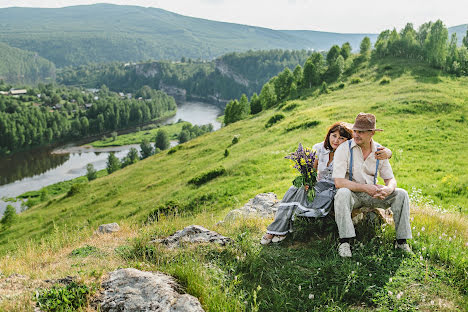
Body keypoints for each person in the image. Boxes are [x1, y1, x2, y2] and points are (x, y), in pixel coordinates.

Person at [261, 122, 392, 245]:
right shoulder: (319, 148)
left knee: (310, 197)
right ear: (329, 135)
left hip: (336, 187)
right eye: (334, 136)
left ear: (348, 140)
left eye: (341, 138)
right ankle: (276, 229)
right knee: (295, 189)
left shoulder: (351, 152)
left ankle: (280, 229)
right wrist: (307, 181)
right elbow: (312, 170)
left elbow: (372, 147)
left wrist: (388, 153)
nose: (336, 140)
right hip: (319, 185)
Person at [333, 113, 412, 258]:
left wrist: (388, 189)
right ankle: (345, 242)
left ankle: (402, 241)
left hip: (374, 194)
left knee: (401, 194)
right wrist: (365, 188)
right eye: (355, 131)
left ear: (372, 133)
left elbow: (390, 178)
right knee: (342, 193)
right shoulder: (344, 149)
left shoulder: (380, 151)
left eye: (361, 132)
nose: (356, 135)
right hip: (353, 194)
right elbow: (338, 182)